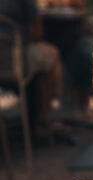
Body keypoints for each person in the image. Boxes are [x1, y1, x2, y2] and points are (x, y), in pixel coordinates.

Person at [0, 0, 64, 137]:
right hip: (13, 60)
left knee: (38, 59)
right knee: (51, 55)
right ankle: (43, 120)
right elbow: (37, 31)